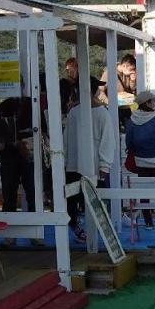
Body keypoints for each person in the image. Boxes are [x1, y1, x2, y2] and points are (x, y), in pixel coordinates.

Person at [63, 83, 116, 236]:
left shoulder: (75, 112)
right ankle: (95, 231)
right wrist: (105, 166)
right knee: (93, 200)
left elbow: (66, 139)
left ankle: (83, 229)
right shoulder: (101, 113)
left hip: (75, 164)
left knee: (77, 199)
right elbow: (108, 141)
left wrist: (66, 160)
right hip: (92, 166)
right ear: (96, 92)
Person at [124, 91, 155, 228]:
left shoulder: (132, 121)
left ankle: (148, 222)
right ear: (147, 103)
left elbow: (129, 143)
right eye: (153, 100)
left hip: (140, 162)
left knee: (144, 192)